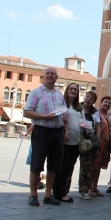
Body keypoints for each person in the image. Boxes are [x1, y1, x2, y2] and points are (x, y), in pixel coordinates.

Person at [23, 67, 67, 206]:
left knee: (54, 165)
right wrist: (44, 117)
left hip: (57, 132)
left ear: (56, 77)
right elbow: (27, 112)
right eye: (47, 73)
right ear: (43, 76)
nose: (49, 76)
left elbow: (64, 110)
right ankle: (33, 194)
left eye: (52, 74)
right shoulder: (36, 93)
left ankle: (48, 194)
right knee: (36, 164)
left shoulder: (60, 94)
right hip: (42, 131)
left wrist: (64, 121)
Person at [52, 83, 85, 203]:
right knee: (61, 167)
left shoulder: (79, 107)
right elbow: (56, 118)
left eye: (76, 89)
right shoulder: (62, 104)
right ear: (67, 90)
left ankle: (62, 191)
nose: (73, 91)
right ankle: (58, 193)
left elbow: (82, 122)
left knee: (69, 168)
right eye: (71, 89)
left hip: (75, 142)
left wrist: (87, 126)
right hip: (64, 141)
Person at [89, 96, 111, 197]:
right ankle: (89, 188)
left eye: (109, 103)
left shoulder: (110, 115)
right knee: (93, 166)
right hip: (97, 143)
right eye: (105, 102)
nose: (107, 104)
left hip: (106, 145)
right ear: (100, 103)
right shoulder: (96, 113)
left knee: (98, 167)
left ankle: (95, 188)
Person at [78, 91, 97, 200]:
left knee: (85, 167)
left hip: (87, 142)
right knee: (68, 165)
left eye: (91, 98)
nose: (88, 99)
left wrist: (96, 142)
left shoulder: (95, 112)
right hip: (74, 139)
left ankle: (84, 190)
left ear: (94, 102)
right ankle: (63, 190)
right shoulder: (77, 107)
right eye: (87, 97)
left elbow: (97, 128)